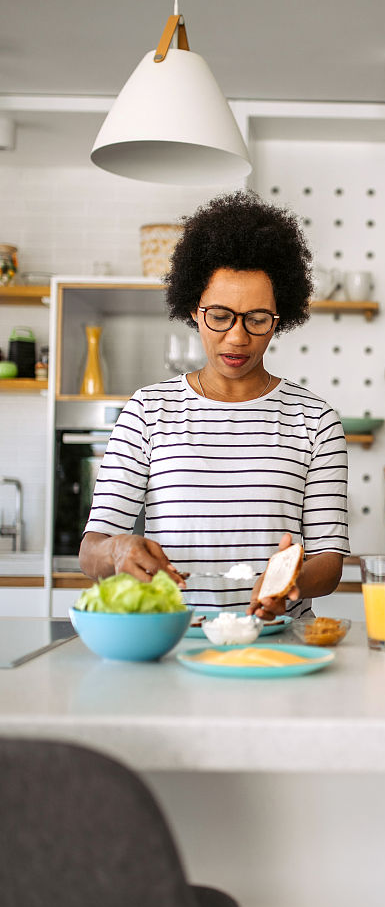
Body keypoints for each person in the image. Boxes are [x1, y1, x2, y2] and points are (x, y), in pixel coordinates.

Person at [79, 190, 349, 620]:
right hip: (174, 639)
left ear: (280, 318)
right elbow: (91, 550)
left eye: (257, 319)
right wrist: (116, 550)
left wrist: (290, 582)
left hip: (279, 642)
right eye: (220, 316)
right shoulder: (148, 411)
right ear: (193, 309)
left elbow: (329, 563)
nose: (237, 337)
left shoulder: (315, 420)